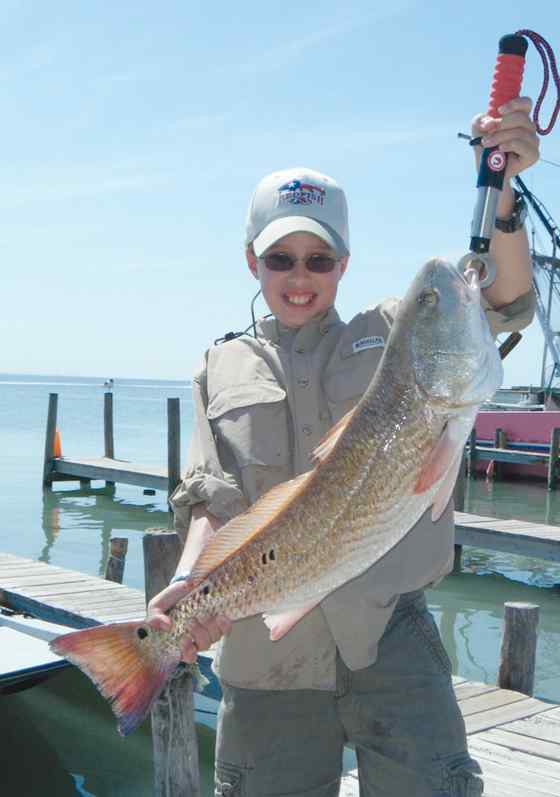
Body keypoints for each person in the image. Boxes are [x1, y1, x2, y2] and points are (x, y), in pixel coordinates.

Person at [148, 98, 539, 796]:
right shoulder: (218, 366)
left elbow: (504, 298)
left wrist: (503, 192)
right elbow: (212, 500)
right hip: (265, 654)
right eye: (281, 258)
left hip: (391, 635)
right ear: (252, 261)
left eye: (319, 258)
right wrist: (188, 586)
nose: (300, 277)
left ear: (344, 262)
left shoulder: (394, 332)